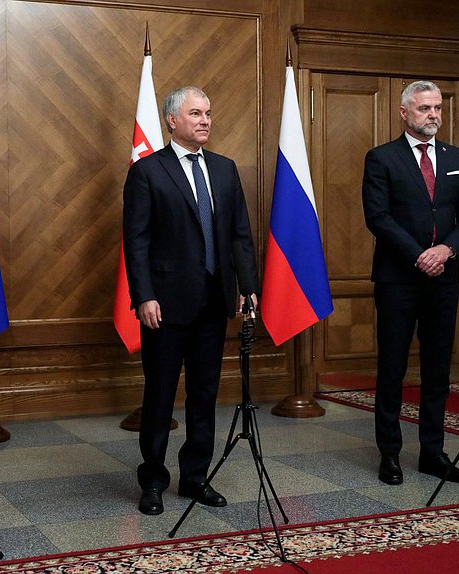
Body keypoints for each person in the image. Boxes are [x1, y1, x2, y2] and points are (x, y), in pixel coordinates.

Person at [123, 86, 258, 515]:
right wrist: (143, 295)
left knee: (205, 394)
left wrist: (247, 286)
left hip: (214, 302)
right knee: (160, 395)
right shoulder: (147, 171)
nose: (205, 120)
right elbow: (136, 241)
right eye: (195, 113)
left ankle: (195, 478)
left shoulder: (224, 168)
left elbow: (240, 234)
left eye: (208, 113)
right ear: (171, 121)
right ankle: (154, 480)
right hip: (163, 304)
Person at [362, 80, 459, 486]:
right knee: (392, 367)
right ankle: (390, 454)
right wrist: (419, 255)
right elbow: (378, 218)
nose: (433, 115)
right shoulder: (381, 158)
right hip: (398, 279)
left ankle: (433, 452)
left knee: (437, 369)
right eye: (424, 108)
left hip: (444, 278)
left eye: (438, 108)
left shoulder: (457, 158)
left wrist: (445, 250)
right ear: (403, 112)